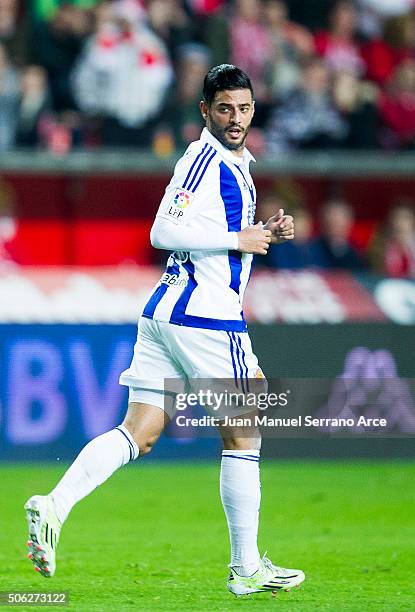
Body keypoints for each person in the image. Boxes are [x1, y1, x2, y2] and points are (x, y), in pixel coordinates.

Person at [24, 64, 305, 597]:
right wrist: (236, 240)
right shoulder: (202, 159)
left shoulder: (234, 163)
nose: (236, 118)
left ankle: (52, 506)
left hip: (166, 312)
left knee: (141, 432)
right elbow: (161, 230)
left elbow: (211, 237)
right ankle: (245, 568)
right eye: (225, 109)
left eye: (244, 108)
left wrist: (264, 234)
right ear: (205, 111)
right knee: (245, 429)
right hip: (204, 314)